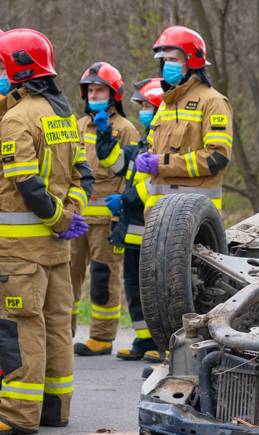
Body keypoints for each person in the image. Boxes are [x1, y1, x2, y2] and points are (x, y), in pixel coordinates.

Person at [0, 29, 91, 435]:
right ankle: (54, 407)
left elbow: (26, 185)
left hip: (20, 249)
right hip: (56, 247)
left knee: (20, 324)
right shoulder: (62, 112)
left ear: (16, 69)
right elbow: (82, 176)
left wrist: (58, 218)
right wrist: (70, 215)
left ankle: (15, 413)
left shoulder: (17, 119)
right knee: (56, 322)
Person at [71, 62, 139, 356]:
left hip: (107, 221)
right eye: (90, 90)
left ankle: (101, 337)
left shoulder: (125, 130)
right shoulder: (76, 125)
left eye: (100, 90)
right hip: (75, 218)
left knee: (103, 278)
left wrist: (122, 208)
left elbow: (133, 173)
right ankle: (63, 333)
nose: (94, 95)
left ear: (114, 94)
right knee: (67, 278)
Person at [97, 78, 163, 361]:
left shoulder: (162, 141)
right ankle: (143, 340)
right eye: (142, 105)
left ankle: (158, 343)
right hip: (133, 232)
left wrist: (123, 199)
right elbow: (116, 164)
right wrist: (105, 137)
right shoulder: (144, 141)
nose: (143, 110)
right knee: (134, 290)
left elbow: (153, 184)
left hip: (150, 230)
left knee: (153, 292)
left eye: (148, 105)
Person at [134, 26, 233, 213]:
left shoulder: (213, 102)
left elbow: (216, 158)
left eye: (173, 60)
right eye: (165, 60)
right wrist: (146, 159)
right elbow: (153, 148)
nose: (167, 66)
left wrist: (161, 163)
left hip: (194, 216)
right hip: (158, 217)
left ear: (191, 61)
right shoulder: (166, 104)